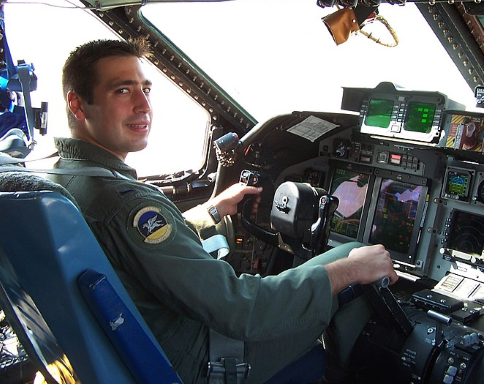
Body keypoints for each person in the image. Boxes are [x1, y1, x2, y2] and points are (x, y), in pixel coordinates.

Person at [51, 38, 398, 384]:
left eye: (145, 89)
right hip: (199, 362)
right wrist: (348, 271)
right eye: (123, 91)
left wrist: (212, 212)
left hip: (130, 354)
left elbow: (139, 248)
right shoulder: (124, 202)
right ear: (78, 105)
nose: (144, 105)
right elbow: (240, 309)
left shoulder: (67, 179)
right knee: (354, 256)